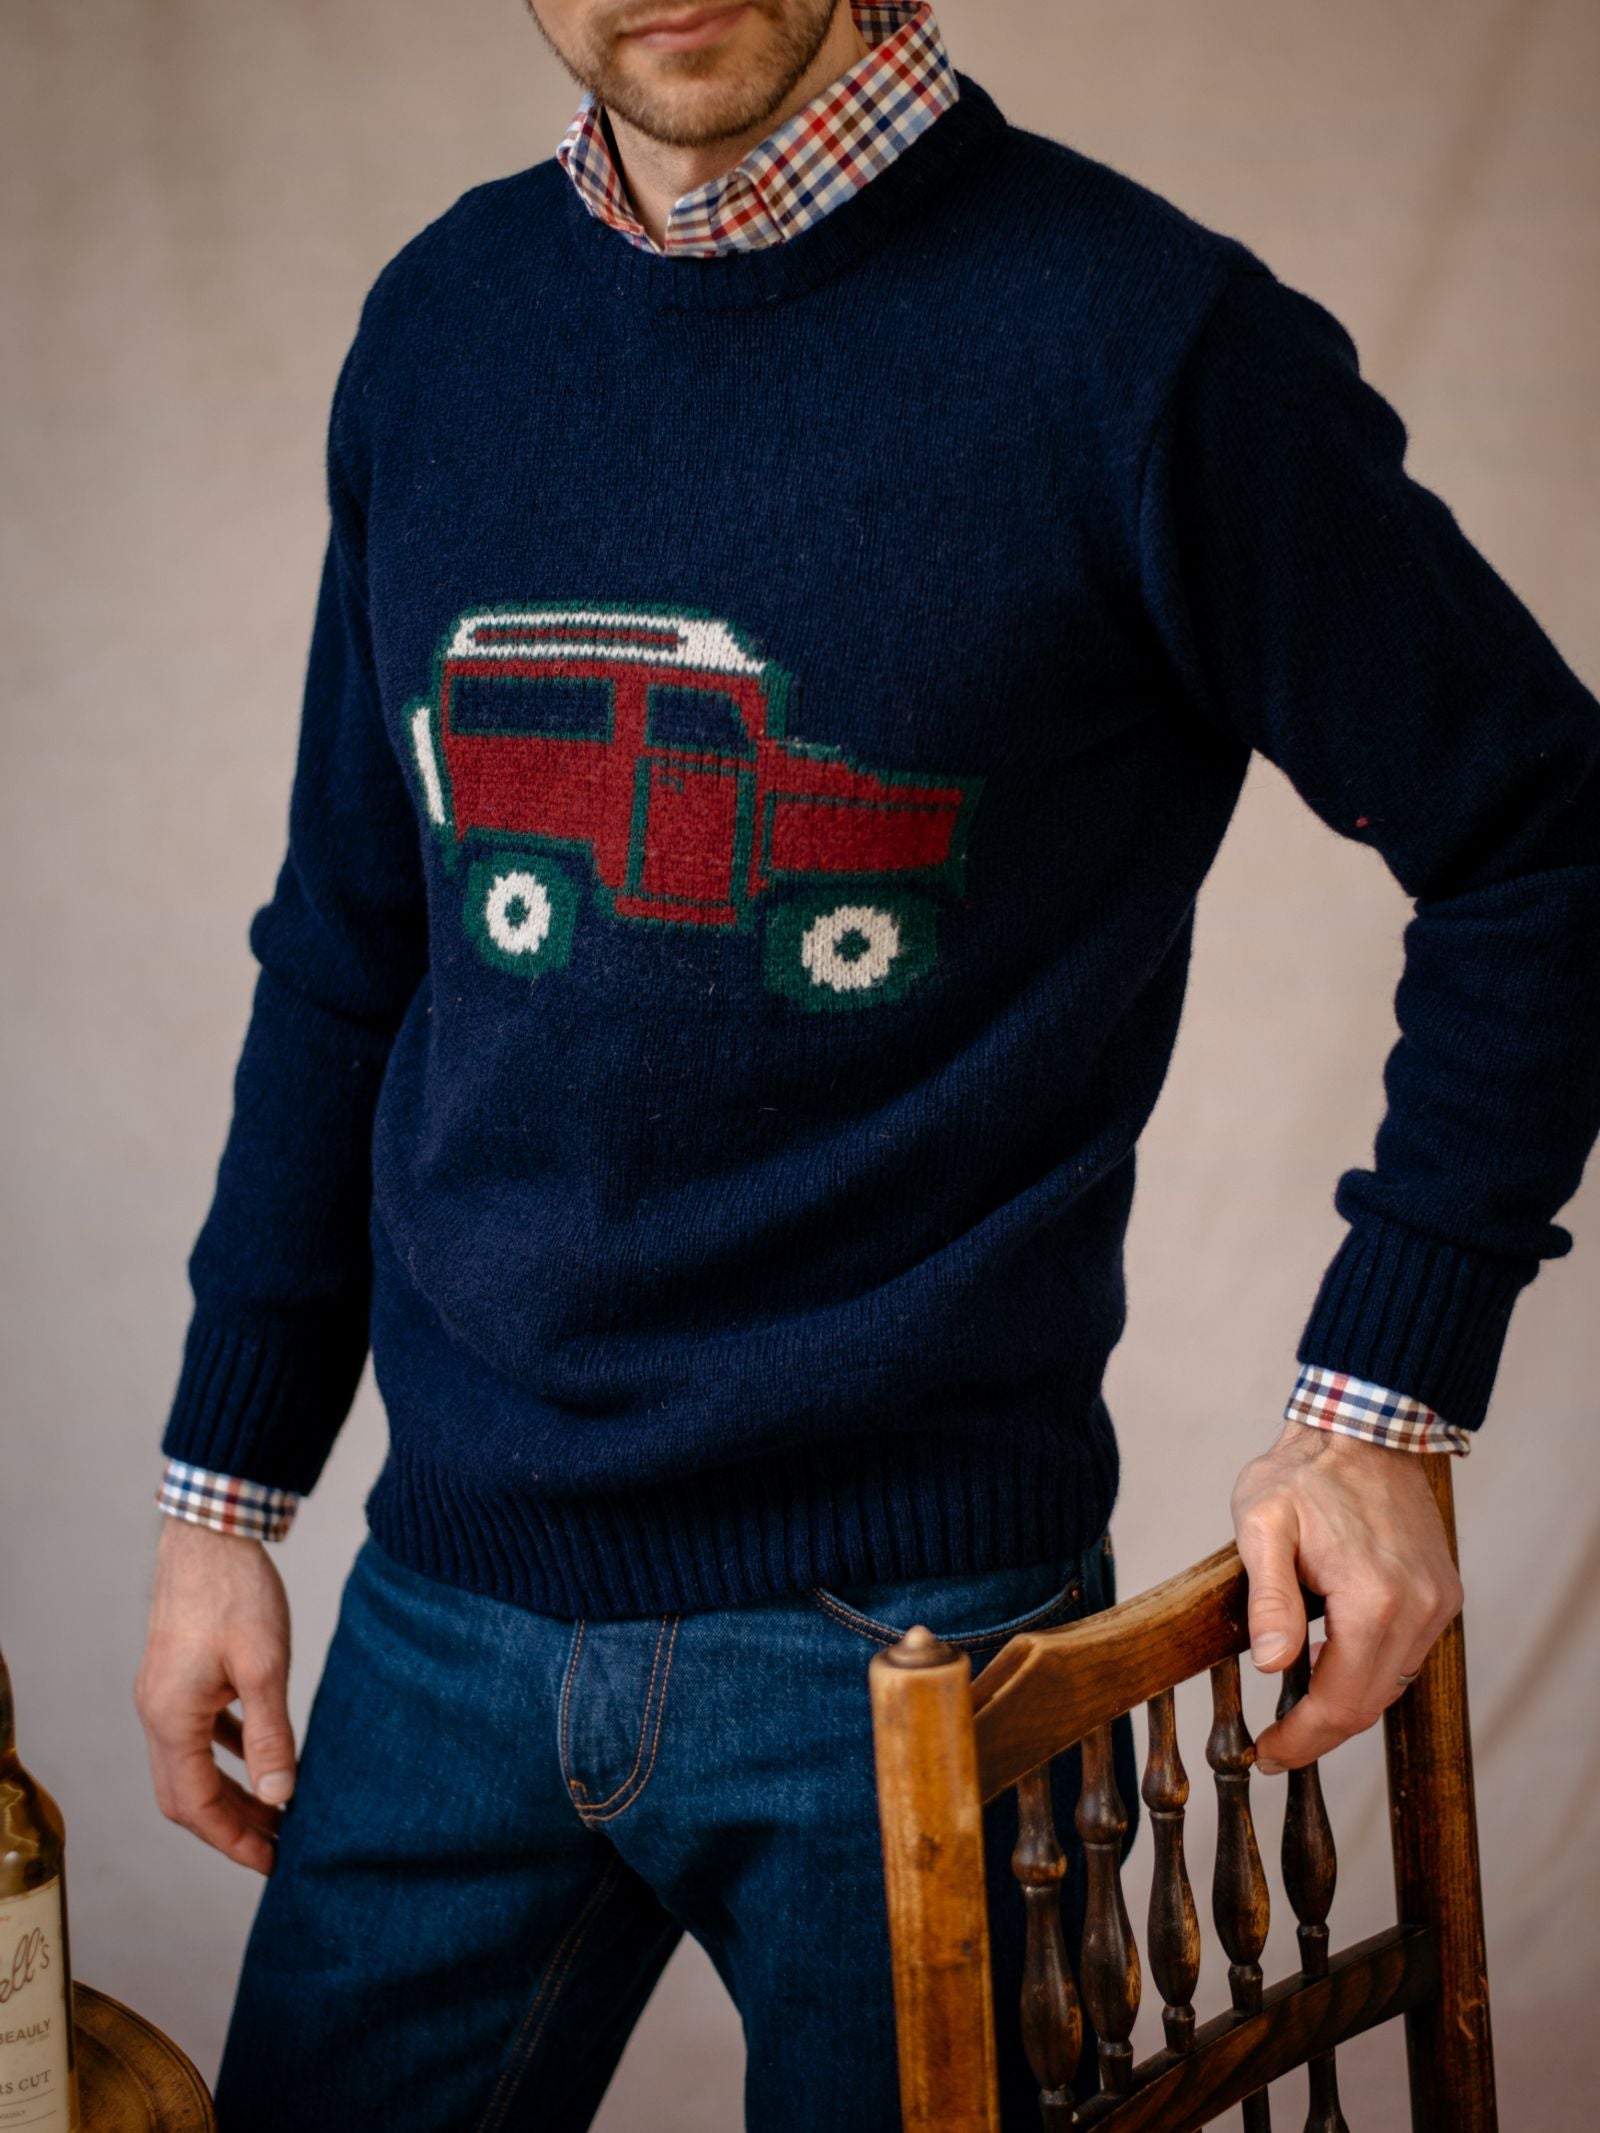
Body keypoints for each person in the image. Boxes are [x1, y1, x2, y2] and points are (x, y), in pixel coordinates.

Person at [131, 3, 1600, 2127]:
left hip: (909, 1641)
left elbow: (1535, 829)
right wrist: (220, 1493)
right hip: (442, 1599)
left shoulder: (1142, 344)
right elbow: (356, 941)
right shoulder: (441, 327)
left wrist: (1383, 1404)